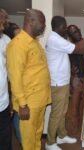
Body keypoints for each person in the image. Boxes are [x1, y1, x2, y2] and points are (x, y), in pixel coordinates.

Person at [45, 16, 84, 150]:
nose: (65, 29)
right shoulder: (55, 39)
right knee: (57, 113)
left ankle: (62, 135)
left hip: (62, 82)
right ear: (60, 27)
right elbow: (80, 49)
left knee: (63, 111)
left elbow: (80, 44)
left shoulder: (59, 39)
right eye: (65, 27)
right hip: (57, 83)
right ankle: (50, 142)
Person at [6, 9, 51, 150]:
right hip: (29, 103)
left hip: (40, 100)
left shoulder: (35, 42)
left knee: (37, 135)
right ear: (30, 21)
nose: (44, 26)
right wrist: (23, 105)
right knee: (28, 140)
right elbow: (15, 76)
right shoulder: (18, 44)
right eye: (42, 23)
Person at [66, 25, 84, 136]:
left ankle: (82, 128)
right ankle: (73, 132)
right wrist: (71, 71)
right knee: (74, 107)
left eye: (78, 30)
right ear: (70, 36)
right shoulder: (70, 47)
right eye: (74, 32)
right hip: (77, 80)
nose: (78, 33)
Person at [0, 8, 12, 150]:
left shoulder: (6, 40)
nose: (3, 28)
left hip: (3, 103)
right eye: (0, 24)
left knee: (5, 139)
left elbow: (10, 71)